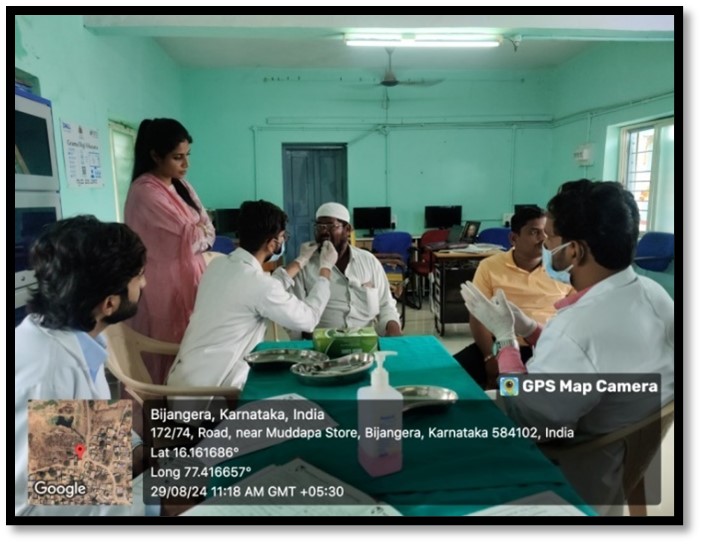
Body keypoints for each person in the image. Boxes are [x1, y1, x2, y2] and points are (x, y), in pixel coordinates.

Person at [460, 180, 674, 513]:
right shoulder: (655, 295)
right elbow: (590, 360)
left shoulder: (577, 327)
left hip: (574, 469)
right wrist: (529, 329)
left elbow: (528, 419)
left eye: (550, 238)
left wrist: (504, 339)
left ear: (575, 250)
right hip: (627, 450)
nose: (544, 244)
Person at [15, 215, 151, 516]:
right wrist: (157, 506)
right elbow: (65, 509)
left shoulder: (60, 338)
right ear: (110, 304)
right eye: (138, 276)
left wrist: (136, 449)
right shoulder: (53, 374)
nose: (144, 283)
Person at [167, 200, 337, 389]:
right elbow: (309, 319)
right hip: (210, 394)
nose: (283, 241)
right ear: (273, 244)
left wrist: (301, 260)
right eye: (283, 237)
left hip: (182, 381)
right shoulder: (258, 284)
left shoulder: (218, 265)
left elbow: (261, 288)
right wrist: (325, 270)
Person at [124, 118, 215, 384]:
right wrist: (200, 231)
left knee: (190, 345)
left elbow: (206, 227)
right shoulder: (145, 192)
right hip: (162, 286)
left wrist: (200, 230)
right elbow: (195, 238)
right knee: (165, 349)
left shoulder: (181, 185)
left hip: (189, 276)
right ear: (155, 155)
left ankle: (188, 408)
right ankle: (164, 415)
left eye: (187, 156)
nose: (186, 164)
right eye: (178, 158)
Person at [453, 206, 573, 388]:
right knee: (450, 378)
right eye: (534, 232)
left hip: (547, 347)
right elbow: (478, 315)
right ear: (513, 238)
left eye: (546, 233)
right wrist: (489, 357)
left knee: (523, 397)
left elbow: (573, 315)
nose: (542, 239)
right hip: (496, 345)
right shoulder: (490, 266)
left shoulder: (562, 269)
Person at [290, 202, 402, 337]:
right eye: (319, 227)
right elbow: (296, 316)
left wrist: (394, 331)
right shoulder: (305, 266)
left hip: (365, 343)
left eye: (331, 226)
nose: (324, 232)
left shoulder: (369, 261)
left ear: (347, 230)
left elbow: (386, 305)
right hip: (322, 345)